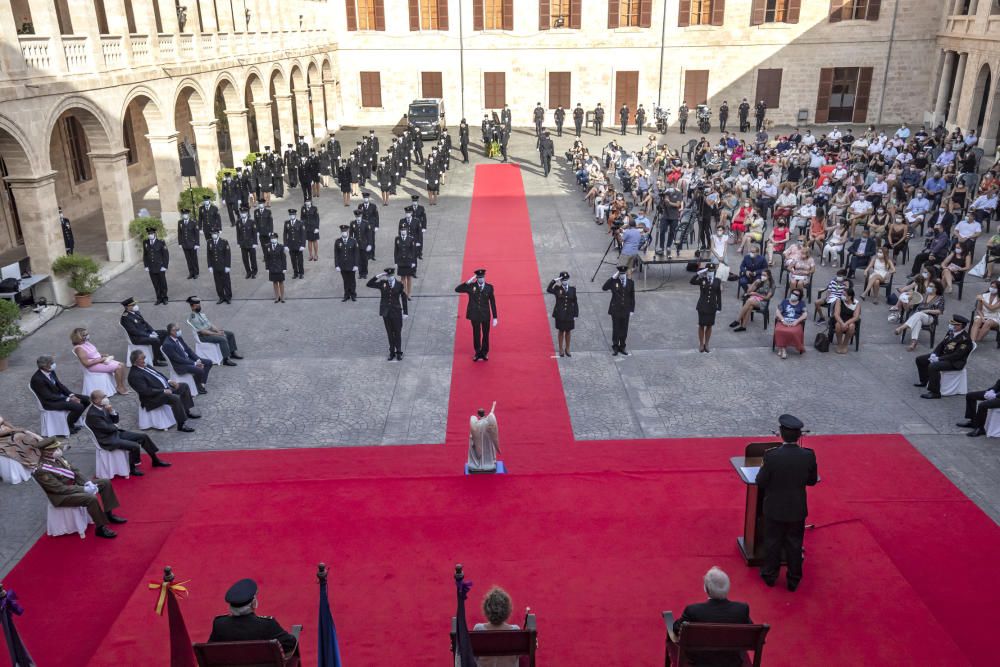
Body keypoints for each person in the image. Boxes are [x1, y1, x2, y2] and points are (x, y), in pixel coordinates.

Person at [757, 414, 817, 591]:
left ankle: (770, 575)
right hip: (797, 508)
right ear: (799, 436)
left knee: (772, 541)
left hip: (774, 507)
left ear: (781, 434)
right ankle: (793, 579)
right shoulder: (808, 455)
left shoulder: (771, 456)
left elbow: (761, 481)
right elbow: (812, 481)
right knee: (795, 543)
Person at [33, 439, 126, 538]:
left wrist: (87, 483)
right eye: (54, 449)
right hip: (61, 496)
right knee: (91, 498)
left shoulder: (58, 458)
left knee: (105, 483)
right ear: (45, 452)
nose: (58, 450)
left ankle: (109, 514)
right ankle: (101, 527)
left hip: (73, 486)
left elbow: (75, 471)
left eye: (56, 447)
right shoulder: (42, 470)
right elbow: (60, 489)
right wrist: (84, 490)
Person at [673, 567, 752, 666]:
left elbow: (676, 629)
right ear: (728, 587)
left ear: (706, 589)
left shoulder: (693, 611)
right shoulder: (741, 610)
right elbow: (750, 633)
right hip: (732, 662)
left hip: (700, 662)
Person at [85, 390, 170, 475]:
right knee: (134, 446)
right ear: (96, 400)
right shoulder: (93, 414)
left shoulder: (103, 406)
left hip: (114, 433)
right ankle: (132, 468)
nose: (105, 398)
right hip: (107, 439)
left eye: (105, 396)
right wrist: (115, 426)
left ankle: (155, 460)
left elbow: (115, 420)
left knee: (143, 436)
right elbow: (107, 428)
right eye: (103, 397)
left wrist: (111, 411)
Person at [209, 579, 298, 656]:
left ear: (231, 606)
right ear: (253, 603)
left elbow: (210, 651)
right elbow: (290, 644)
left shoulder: (220, 625)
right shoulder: (267, 625)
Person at [127, 350, 199, 432]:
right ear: (136, 361)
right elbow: (145, 391)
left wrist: (169, 381)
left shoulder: (145, 365)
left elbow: (159, 374)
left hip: (165, 388)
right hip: (153, 397)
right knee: (175, 398)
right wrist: (163, 391)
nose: (145, 359)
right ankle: (181, 424)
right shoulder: (134, 375)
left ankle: (186, 411)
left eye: (145, 357)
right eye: (142, 358)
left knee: (184, 386)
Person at [914, 314, 973, 398]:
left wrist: (939, 359)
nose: (953, 326)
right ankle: (925, 380)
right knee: (920, 359)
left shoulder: (965, 339)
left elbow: (956, 355)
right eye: (953, 324)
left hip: (955, 362)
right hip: (944, 356)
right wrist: (934, 354)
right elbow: (942, 344)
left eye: (956, 325)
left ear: (962, 326)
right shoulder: (951, 332)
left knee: (933, 366)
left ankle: (935, 392)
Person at [30, 355, 90, 433]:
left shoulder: (50, 371)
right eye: (51, 363)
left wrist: (71, 395)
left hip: (59, 396)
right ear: (44, 367)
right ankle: (69, 425)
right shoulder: (38, 379)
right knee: (79, 406)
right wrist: (68, 399)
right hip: (50, 402)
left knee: (87, 400)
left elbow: (60, 385)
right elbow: (48, 396)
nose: (53, 364)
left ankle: (72, 420)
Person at [456, 268, 498, 361]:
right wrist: (468, 282)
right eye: (479, 278)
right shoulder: (471, 286)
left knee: (486, 334)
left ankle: (484, 353)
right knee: (476, 334)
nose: (481, 279)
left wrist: (495, 317)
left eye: (482, 277)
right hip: (474, 315)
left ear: (484, 277)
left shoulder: (489, 287)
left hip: (485, 315)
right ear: (476, 278)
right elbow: (457, 289)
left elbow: (492, 302)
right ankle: (477, 352)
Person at [70, 327, 128, 395]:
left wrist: (102, 355)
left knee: (122, 365)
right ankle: (119, 387)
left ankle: (121, 385)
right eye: (85, 335)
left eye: (87, 334)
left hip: (100, 361)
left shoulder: (86, 343)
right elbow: (86, 363)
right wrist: (100, 360)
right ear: (78, 337)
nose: (87, 336)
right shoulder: (79, 349)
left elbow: (93, 353)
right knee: (118, 367)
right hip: (93, 366)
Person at [473, 587, 520, 667]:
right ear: (507, 609)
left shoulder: (479, 629)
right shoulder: (515, 630)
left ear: (486, 608)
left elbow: (473, 659)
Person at [186, 296, 241, 365]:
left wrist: (218, 331)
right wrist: (217, 334)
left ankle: (232, 352)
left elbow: (210, 325)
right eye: (197, 306)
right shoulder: (193, 318)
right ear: (192, 307)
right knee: (222, 339)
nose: (199, 307)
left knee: (230, 334)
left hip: (210, 332)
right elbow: (203, 331)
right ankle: (226, 359)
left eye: (199, 305)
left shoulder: (201, 314)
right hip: (203, 336)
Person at [367, 268, 408, 361]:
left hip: (396, 312)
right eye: (388, 276)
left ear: (394, 275)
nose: (389, 277)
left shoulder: (399, 284)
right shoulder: (383, 283)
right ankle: (392, 352)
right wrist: (378, 276)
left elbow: (404, 297)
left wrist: (405, 312)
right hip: (386, 312)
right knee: (389, 333)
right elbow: (369, 284)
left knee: (397, 333)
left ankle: (399, 352)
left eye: (391, 276)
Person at [162, 323, 213, 393]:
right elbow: (178, 359)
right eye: (177, 330)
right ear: (171, 332)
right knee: (200, 370)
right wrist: (194, 363)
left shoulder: (178, 337)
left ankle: (201, 383)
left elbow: (188, 350)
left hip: (188, 359)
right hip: (180, 365)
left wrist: (197, 359)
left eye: (179, 329)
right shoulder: (168, 344)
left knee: (208, 362)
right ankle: (198, 387)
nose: (179, 331)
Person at [895, 279, 945, 351]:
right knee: (918, 320)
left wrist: (927, 310)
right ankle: (913, 343)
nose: (929, 287)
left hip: (929, 317)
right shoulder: (924, 295)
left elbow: (940, 311)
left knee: (918, 314)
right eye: (929, 286)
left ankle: (901, 328)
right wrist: (909, 301)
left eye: (931, 286)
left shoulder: (940, 298)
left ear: (936, 289)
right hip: (918, 316)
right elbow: (910, 307)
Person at [602, 265, 635, 356]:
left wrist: (632, 309)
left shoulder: (631, 283)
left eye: (623, 274)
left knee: (624, 329)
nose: (622, 275)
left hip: (626, 310)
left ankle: (622, 346)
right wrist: (613, 277)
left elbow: (632, 297)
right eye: (620, 274)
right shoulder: (614, 282)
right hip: (615, 309)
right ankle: (615, 346)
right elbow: (604, 288)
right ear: (618, 274)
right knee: (616, 329)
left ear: (626, 274)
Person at [691, 264, 722, 353]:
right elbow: (692, 281)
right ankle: (701, 344)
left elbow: (718, 295)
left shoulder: (717, 281)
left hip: (712, 306)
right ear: (706, 271)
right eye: (709, 270)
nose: (711, 272)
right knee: (701, 325)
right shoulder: (702, 279)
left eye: (712, 271)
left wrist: (719, 307)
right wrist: (698, 273)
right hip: (702, 306)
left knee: (709, 325)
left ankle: (707, 344)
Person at [547, 272, 579, 357]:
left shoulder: (573, 289)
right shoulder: (557, 288)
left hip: (569, 314)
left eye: (566, 279)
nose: (565, 281)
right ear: (561, 280)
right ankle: (561, 349)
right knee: (561, 331)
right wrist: (554, 281)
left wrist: (576, 314)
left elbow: (575, 302)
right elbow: (549, 289)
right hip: (560, 314)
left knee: (568, 331)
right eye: (563, 280)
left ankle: (567, 348)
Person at [773, 288, 806, 359]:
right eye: (793, 293)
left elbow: (805, 314)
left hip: (795, 322)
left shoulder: (801, 303)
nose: (794, 295)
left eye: (796, 295)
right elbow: (778, 312)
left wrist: (796, 321)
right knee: (779, 330)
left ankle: (781, 348)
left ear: (799, 297)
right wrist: (782, 320)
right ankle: (783, 350)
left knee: (792, 331)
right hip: (784, 320)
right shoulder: (785, 301)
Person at [468, 401, 499, 472]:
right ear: (484, 413)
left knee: (477, 448)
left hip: (479, 440)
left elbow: (472, 436)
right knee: (488, 450)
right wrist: (493, 405)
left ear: (478, 415)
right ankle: (489, 462)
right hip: (488, 440)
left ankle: (479, 463)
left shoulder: (477, 424)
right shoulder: (488, 421)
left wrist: (471, 439)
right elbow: (491, 412)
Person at [142, 226, 170, 305]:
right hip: (151, 267)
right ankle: (159, 298)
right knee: (155, 284)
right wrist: (146, 265)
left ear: (155, 234)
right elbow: (145, 254)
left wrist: (165, 266)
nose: (150, 235)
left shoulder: (161, 242)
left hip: (160, 267)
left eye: (151, 233)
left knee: (162, 283)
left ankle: (164, 297)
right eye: (148, 234)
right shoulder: (145, 242)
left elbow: (166, 255)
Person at [205, 227, 233, 304]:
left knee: (226, 282)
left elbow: (228, 255)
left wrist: (228, 266)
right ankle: (221, 297)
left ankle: (228, 297)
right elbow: (209, 255)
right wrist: (209, 266)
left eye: (215, 234)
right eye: (212, 234)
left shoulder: (224, 242)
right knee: (218, 282)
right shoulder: (209, 242)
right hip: (215, 266)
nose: (213, 235)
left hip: (223, 265)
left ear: (218, 234)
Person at [334, 224, 359, 301]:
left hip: (351, 265)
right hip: (342, 265)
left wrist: (356, 265)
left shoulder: (353, 241)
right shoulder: (338, 242)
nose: (344, 233)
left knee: (352, 280)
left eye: (345, 231)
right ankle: (346, 294)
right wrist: (337, 265)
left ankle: (353, 294)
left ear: (348, 232)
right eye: (342, 231)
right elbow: (336, 254)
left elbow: (356, 254)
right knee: (345, 280)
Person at [832, 288, 861, 354]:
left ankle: (845, 344)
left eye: (845, 295)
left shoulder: (856, 303)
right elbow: (836, 314)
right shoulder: (839, 301)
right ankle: (839, 344)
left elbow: (856, 317)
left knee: (851, 327)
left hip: (850, 321)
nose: (843, 296)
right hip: (840, 319)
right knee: (838, 325)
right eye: (843, 294)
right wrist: (842, 323)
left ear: (850, 296)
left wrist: (846, 323)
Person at [177, 208, 201, 279]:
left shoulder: (193, 222)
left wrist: (197, 244)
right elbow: (179, 233)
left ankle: (196, 273)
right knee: (188, 259)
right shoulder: (180, 222)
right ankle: (191, 273)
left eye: (186, 214)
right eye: (183, 214)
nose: (185, 215)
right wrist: (180, 243)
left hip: (192, 244)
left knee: (194, 259)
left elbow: (196, 234)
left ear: (188, 215)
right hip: (185, 244)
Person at [235, 206, 258, 279]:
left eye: (244, 213)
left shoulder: (251, 222)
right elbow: (238, 233)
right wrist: (238, 242)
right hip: (243, 244)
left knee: (253, 258)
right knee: (245, 259)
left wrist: (255, 243)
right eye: (241, 213)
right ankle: (248, 272)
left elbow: (254, 233)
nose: (243, 214)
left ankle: (254, 271)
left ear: (247, 213)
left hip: (251, 243)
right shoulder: (238, 222)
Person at [283, 208, 306, 279]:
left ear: (295, 215)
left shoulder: (300, 223)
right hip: (291, 245)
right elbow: (285, 234)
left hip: (298, 245)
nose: (292, 216)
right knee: (293, 260)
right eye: (290, 215)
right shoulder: (287, 223)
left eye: (293, 214)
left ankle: (301, 273)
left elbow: (303, 235)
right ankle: (295, 272)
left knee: (300, 260)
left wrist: (303, 245)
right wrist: (285, 245)